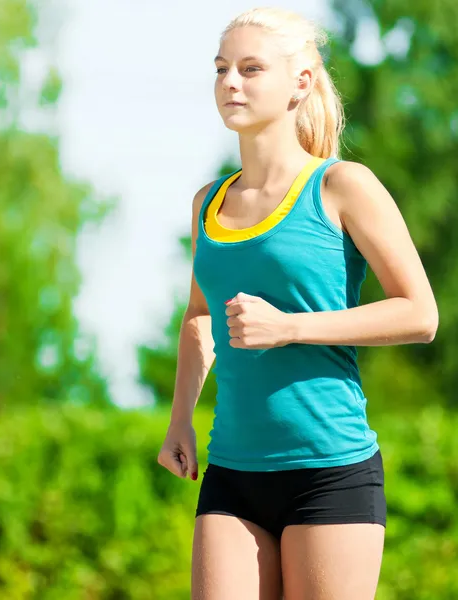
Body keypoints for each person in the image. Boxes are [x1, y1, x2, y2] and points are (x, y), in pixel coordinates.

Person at [156, 6, 438, 600]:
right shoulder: (207, 203)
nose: (230, 82)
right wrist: (180, 416)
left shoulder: (343, 187)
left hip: (330, 471)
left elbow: (420, 313)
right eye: (221, 68)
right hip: (232, 471)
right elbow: (199, 317)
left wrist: (290, 327)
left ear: (300, 83)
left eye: (251, 68)